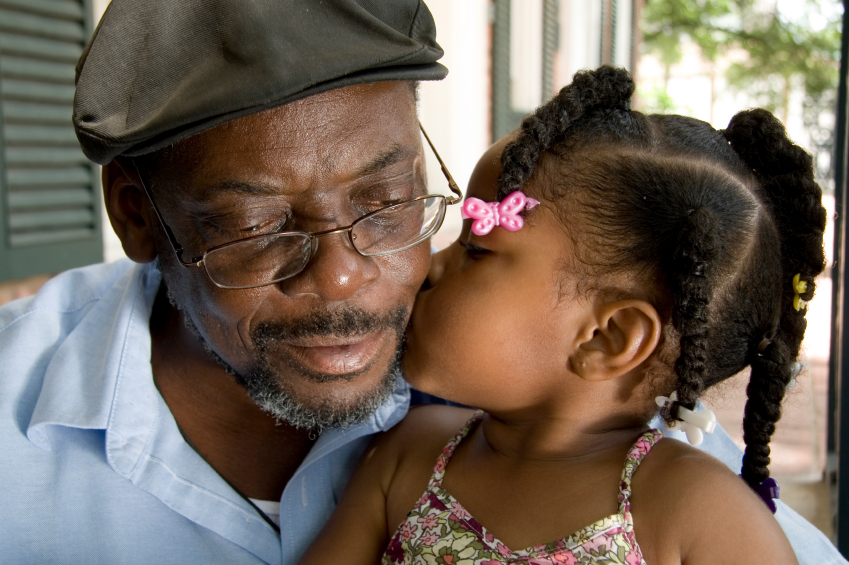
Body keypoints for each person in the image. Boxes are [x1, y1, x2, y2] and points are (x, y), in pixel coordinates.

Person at [0, 0, 841, 562]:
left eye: (389, 203)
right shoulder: (15, 430)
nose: (342, 275)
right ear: (138, 218)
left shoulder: (637, 448)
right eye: (258, 226)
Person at [298, 66, 839, 565]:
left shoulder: (699, 514)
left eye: (476, 251)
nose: (430, 266)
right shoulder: (406, 457)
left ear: (608, 336)